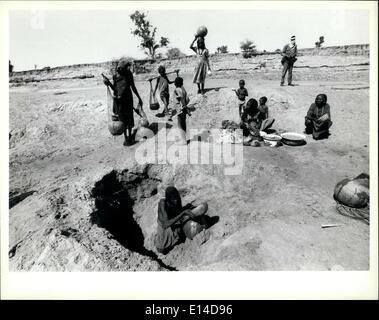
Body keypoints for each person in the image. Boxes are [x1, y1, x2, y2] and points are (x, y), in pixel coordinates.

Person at [155, 186, 208, 254]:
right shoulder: (163, 204)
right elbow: (165, 224)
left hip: (174, 226)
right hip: (163, 245)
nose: (176, 200)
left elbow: (178, 211)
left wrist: (188, 209)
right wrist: (183, 213)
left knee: (187, 215)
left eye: (177, 197)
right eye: (173, 199)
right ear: (168, 199)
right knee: (188, 222)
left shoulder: (177, 200)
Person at [103, 58, 143, 146]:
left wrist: (139, 97)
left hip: (127, 99)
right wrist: (108, 83)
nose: (119, 70)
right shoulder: (115, 76)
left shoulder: (128, 75)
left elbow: (133, 87)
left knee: (128, 118)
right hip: (118, 100)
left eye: (122, 69)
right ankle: (126, 137)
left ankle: (129, 136)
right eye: (119, 69)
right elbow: (115, 88)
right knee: (122, 119)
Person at [173, 76, 191, 145]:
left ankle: (183, 140)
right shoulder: (183, 89)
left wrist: (184, 107)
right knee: (181, 124)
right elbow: (187, 99)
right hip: (181, 109)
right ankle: (183, 139)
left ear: (175, 84)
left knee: (181, 124)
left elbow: (181, 99)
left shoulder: (177, 90)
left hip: (181, 109)